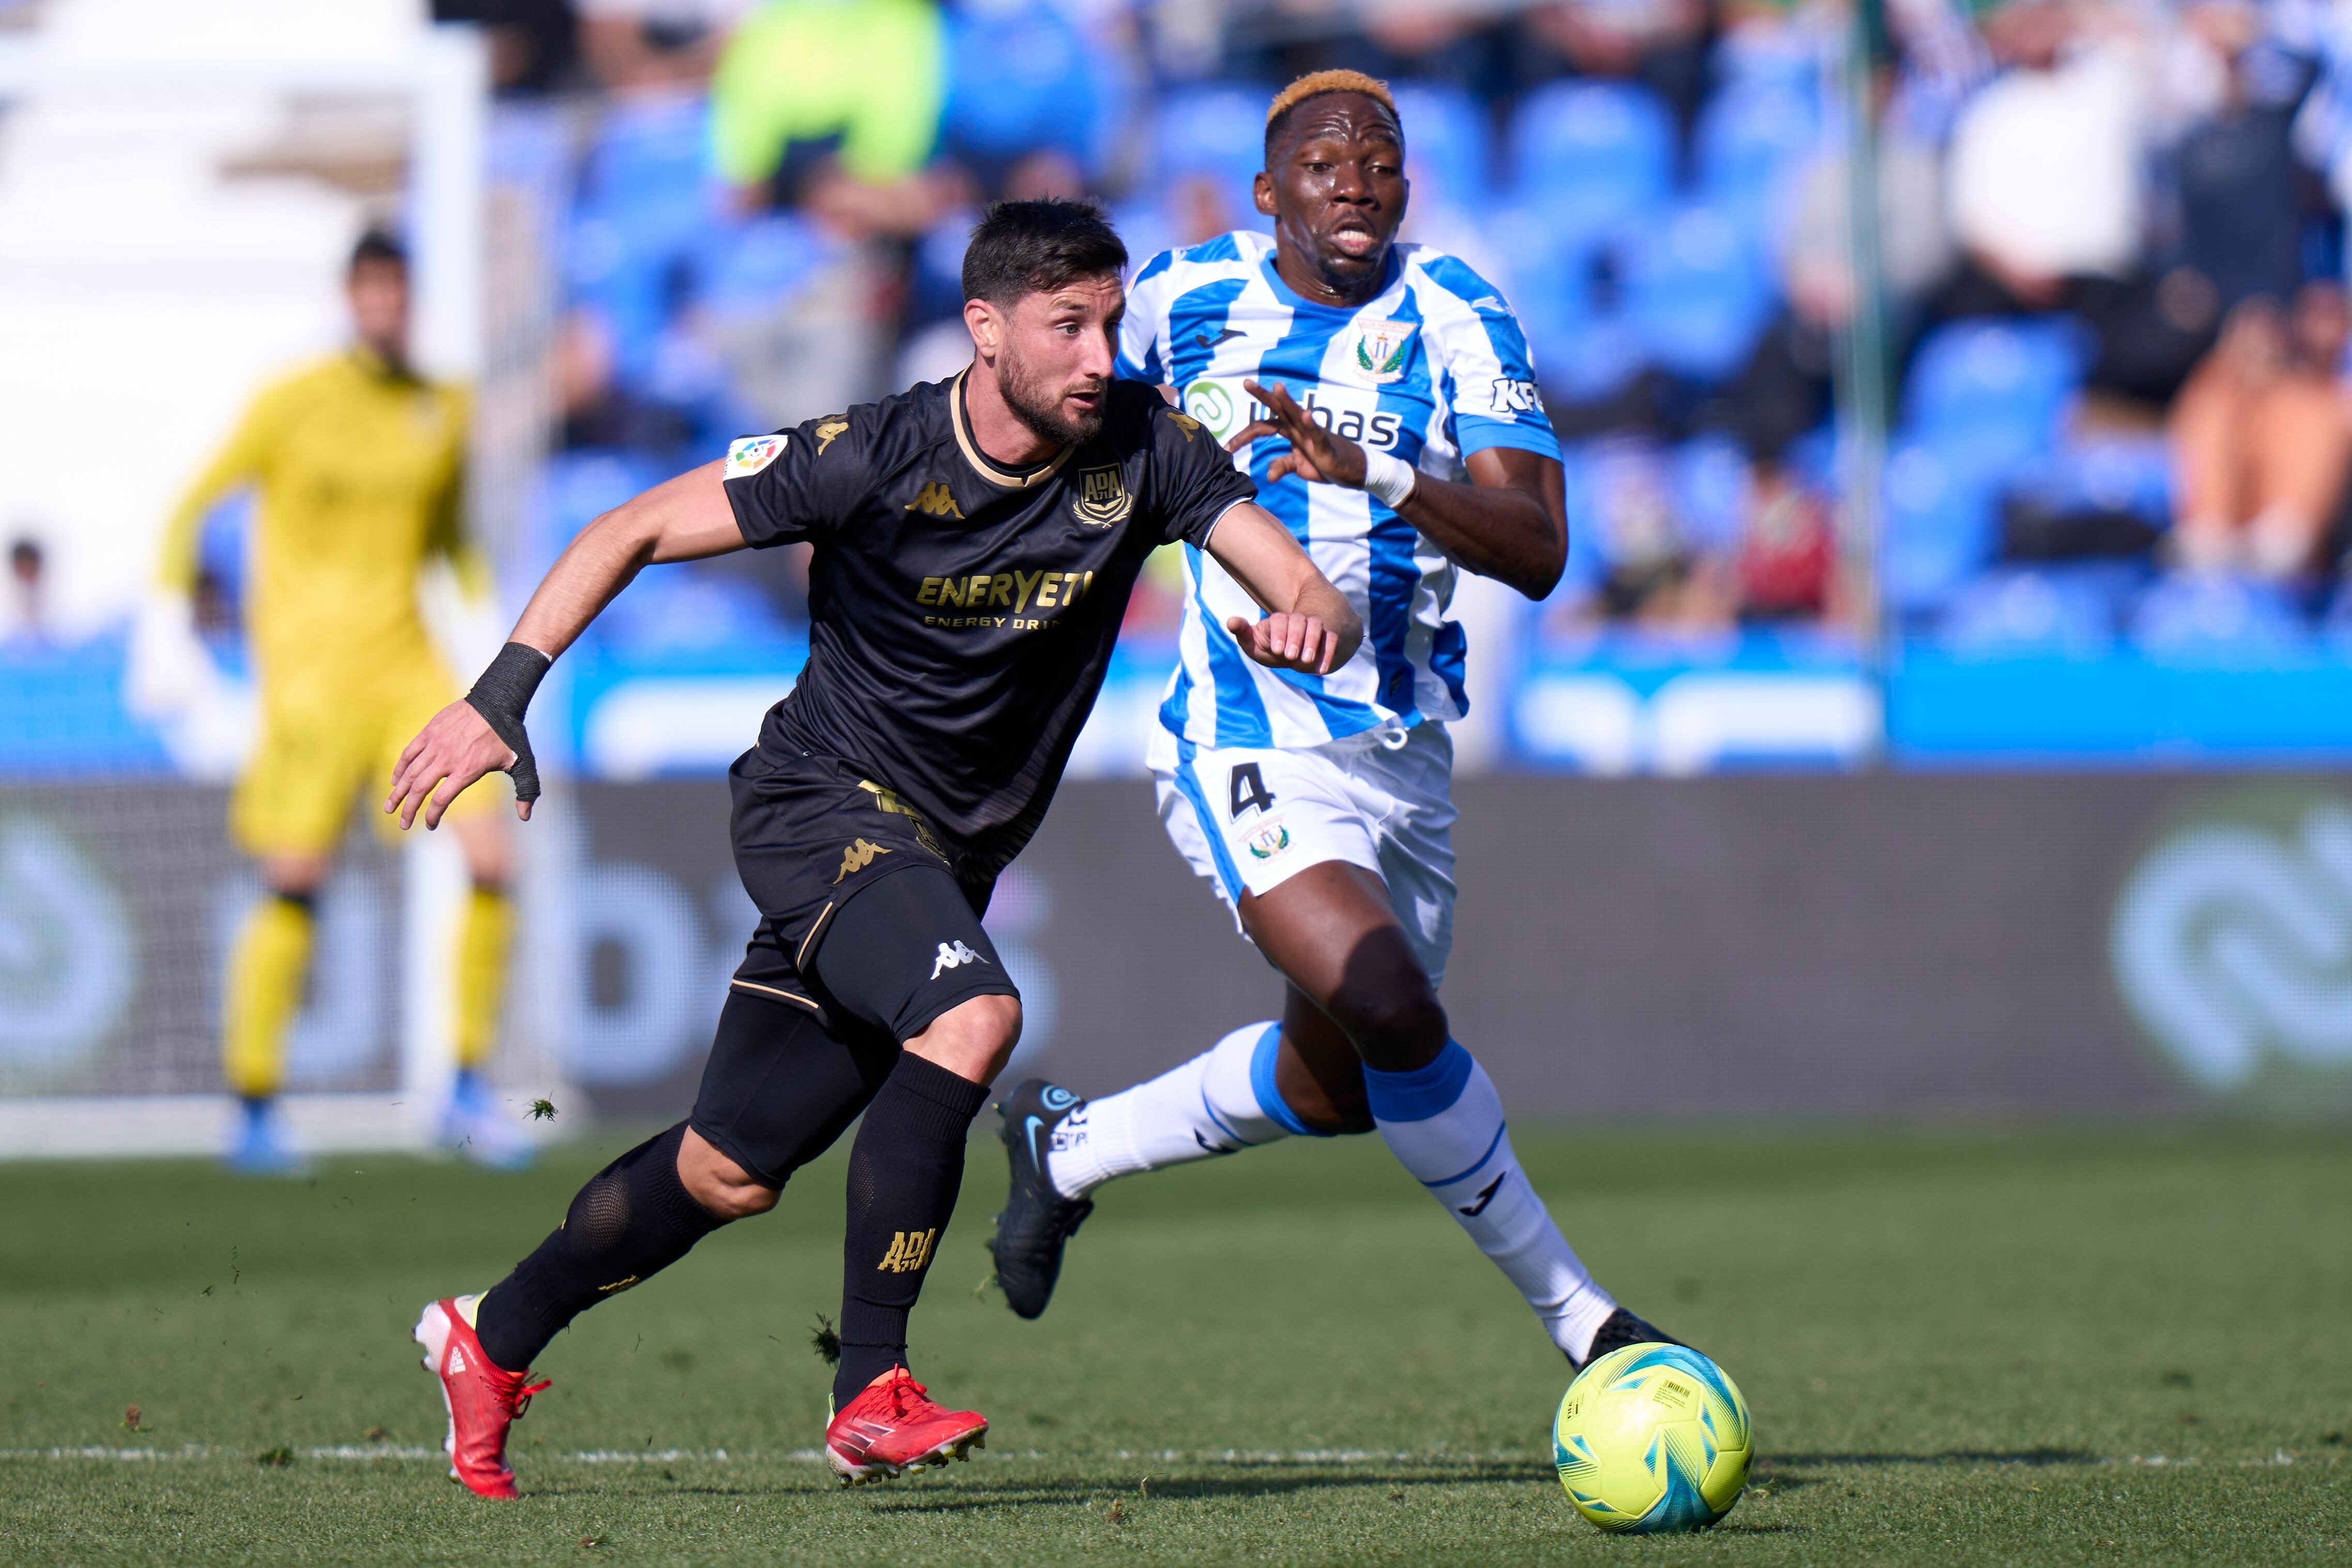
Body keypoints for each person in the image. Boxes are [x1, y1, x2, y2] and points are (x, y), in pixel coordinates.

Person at [382, 199, 1360, 1498]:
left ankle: (486, 1334)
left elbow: (1312, 596)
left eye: (1111, 324)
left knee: (727, 1170)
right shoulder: (868, 453)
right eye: (1067, 326)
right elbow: (624, 527)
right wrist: (499, 694)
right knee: (972, 1015)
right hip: (816, 804)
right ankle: (869, 1390)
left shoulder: (1149, 450)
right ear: (984, 328)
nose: (1098, 356)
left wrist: (1305, 626)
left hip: (933, 860)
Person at [987, 71, 1682, 1372]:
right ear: (1268, 193)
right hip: (1241, 731)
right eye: (1322, 162)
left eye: (1379, 159)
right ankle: (1587, 1322)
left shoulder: (1457, 309)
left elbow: (1535, 549)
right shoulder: (1187, 299)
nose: (1354, 177)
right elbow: (1055, 432)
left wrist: (1373, 467)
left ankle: (1067, 1145)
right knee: (1393, 1009)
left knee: (1340, 1080)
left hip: (1403, 750)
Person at [145, 230, 521, 1174]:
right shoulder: (292, 401)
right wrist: (168, 622)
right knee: (295, 878)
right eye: (372, 290)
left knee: (490, 855)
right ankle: (255, 1100)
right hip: (312, 682)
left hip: (408, 671)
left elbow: (451, 540)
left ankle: (467, 1087)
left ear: (412, 300)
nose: (385, 306)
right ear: (352, 297)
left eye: (399, 290)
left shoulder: (442, 408)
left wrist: (487, 638)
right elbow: (191, 505)